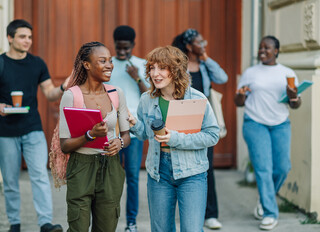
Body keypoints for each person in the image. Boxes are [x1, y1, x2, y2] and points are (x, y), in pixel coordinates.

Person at [0, 19, 67, 232]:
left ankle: (45, 223)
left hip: (32, 128)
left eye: (30, 37)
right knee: (10, 181)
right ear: (10, 38)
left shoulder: (37, 63)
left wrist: (63, 86)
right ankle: (14, 224)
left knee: (40, 176)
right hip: (5, 131)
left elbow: (50, 93)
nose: (27, 41)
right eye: (22, 37)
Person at [128, 45, 220, 232]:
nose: (155, 73)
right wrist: (133, 123)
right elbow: (144, 133)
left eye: (162, 68)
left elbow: (212, 135)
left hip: (192, 173)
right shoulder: (147, 99)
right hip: (159, 173)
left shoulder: (196, 98)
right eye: (152, 68)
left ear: (176, 70)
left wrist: (175, 138)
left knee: (192, 230)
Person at [59, 41, 131, 232]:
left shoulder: (116, 94)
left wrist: (120, 142)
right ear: (87, 64)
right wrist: (89, 135)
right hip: (81, 166)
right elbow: (65, 145)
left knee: (107, 226)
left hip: (111, 167)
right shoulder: (71, 96)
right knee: (78, 227)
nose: (109, 65)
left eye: (110, 60)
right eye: (102, 61)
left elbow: (126, 134)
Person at [234, 36, 301, 230]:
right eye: (260, 47)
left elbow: (295, 104)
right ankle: (270, 213)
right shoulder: (251, 72)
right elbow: (239, 102)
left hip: (280, 124)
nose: (262, 50)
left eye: (267, 47)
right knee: (263, 168)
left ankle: (265, 200)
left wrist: (294, 97)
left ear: (277, 51)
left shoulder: (287, 73)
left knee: (282, 167)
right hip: (255, 123)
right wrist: (239, 96)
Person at [172, 28, 228, 230]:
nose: (203, 43)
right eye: (199, 41)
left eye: (203, 40)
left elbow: (222, 78)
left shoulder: (204, 65)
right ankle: (189, 212)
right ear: (188, 46)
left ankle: (210, 214)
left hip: (204, 122)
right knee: (184, 165)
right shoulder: (179, 65)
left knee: (207, 167)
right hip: (183, 120)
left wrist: (206, 57)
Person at [107, 25, 149, 232]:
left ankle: (131, 223)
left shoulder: (143, 65)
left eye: (126, 48)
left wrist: (137, 77)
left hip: (134, 129)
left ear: (133, 45)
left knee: (132, 176)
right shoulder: (108, 65)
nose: (122, 52)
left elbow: (151, 97)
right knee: (110, 178)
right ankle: (108, 221)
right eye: (119, 48)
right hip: (111, 129)